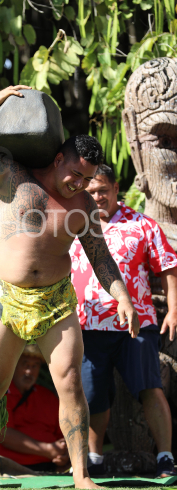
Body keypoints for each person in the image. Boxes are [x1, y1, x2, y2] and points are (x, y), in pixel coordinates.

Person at [0, 85, 140, 490]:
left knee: (69, 379)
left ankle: (82, 476)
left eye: (87, 179)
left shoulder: (83, 206)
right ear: (57, 158)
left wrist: (122, 296)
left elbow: (101, 258)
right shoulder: (13, 177)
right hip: (5, 296)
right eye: (74, 174)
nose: (78, 183)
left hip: (56, 300)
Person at [70, 164, 177, 478]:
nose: (97, 197)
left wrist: (173, 309)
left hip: (136, 325)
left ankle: (166, 458)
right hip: (86, 326)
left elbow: (168, 266)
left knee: (150, 388)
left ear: (116, 189)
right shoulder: (73, 222)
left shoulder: (142, 224)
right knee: (93, 396)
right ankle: (95, 460)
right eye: (91, 191)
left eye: (103, 190)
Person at [0, 345, 69, 471]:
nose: (29, 372)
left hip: (48, 466)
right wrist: (48, 450)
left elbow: (64, 434)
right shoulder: (0, 394)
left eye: (34, 366)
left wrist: (65, 454)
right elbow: (4, 435)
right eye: (24, 364)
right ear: (13, 365)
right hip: (8, 466)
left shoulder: (48, 397)